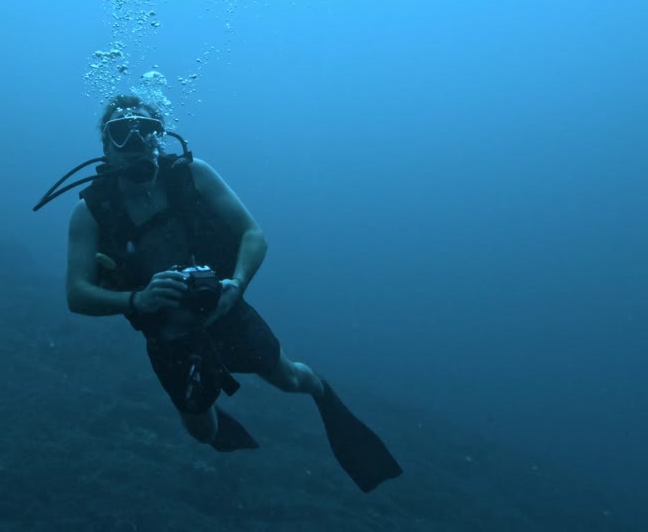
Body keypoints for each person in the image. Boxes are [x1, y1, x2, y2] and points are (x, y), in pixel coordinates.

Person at [34, 94, 401, 492]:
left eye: (146, 130)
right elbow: (77, 294)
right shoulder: (90, 212)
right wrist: (138, 299)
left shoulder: (193, 175)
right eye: (120, 133)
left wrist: (236, 285)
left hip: (224, 309)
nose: (134, 141)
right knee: (201, 431)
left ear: (160, 137)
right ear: (105, 144)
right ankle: (218, 424)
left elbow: (253, 234)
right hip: (167, 337)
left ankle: (323, 392)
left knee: (290, 378)